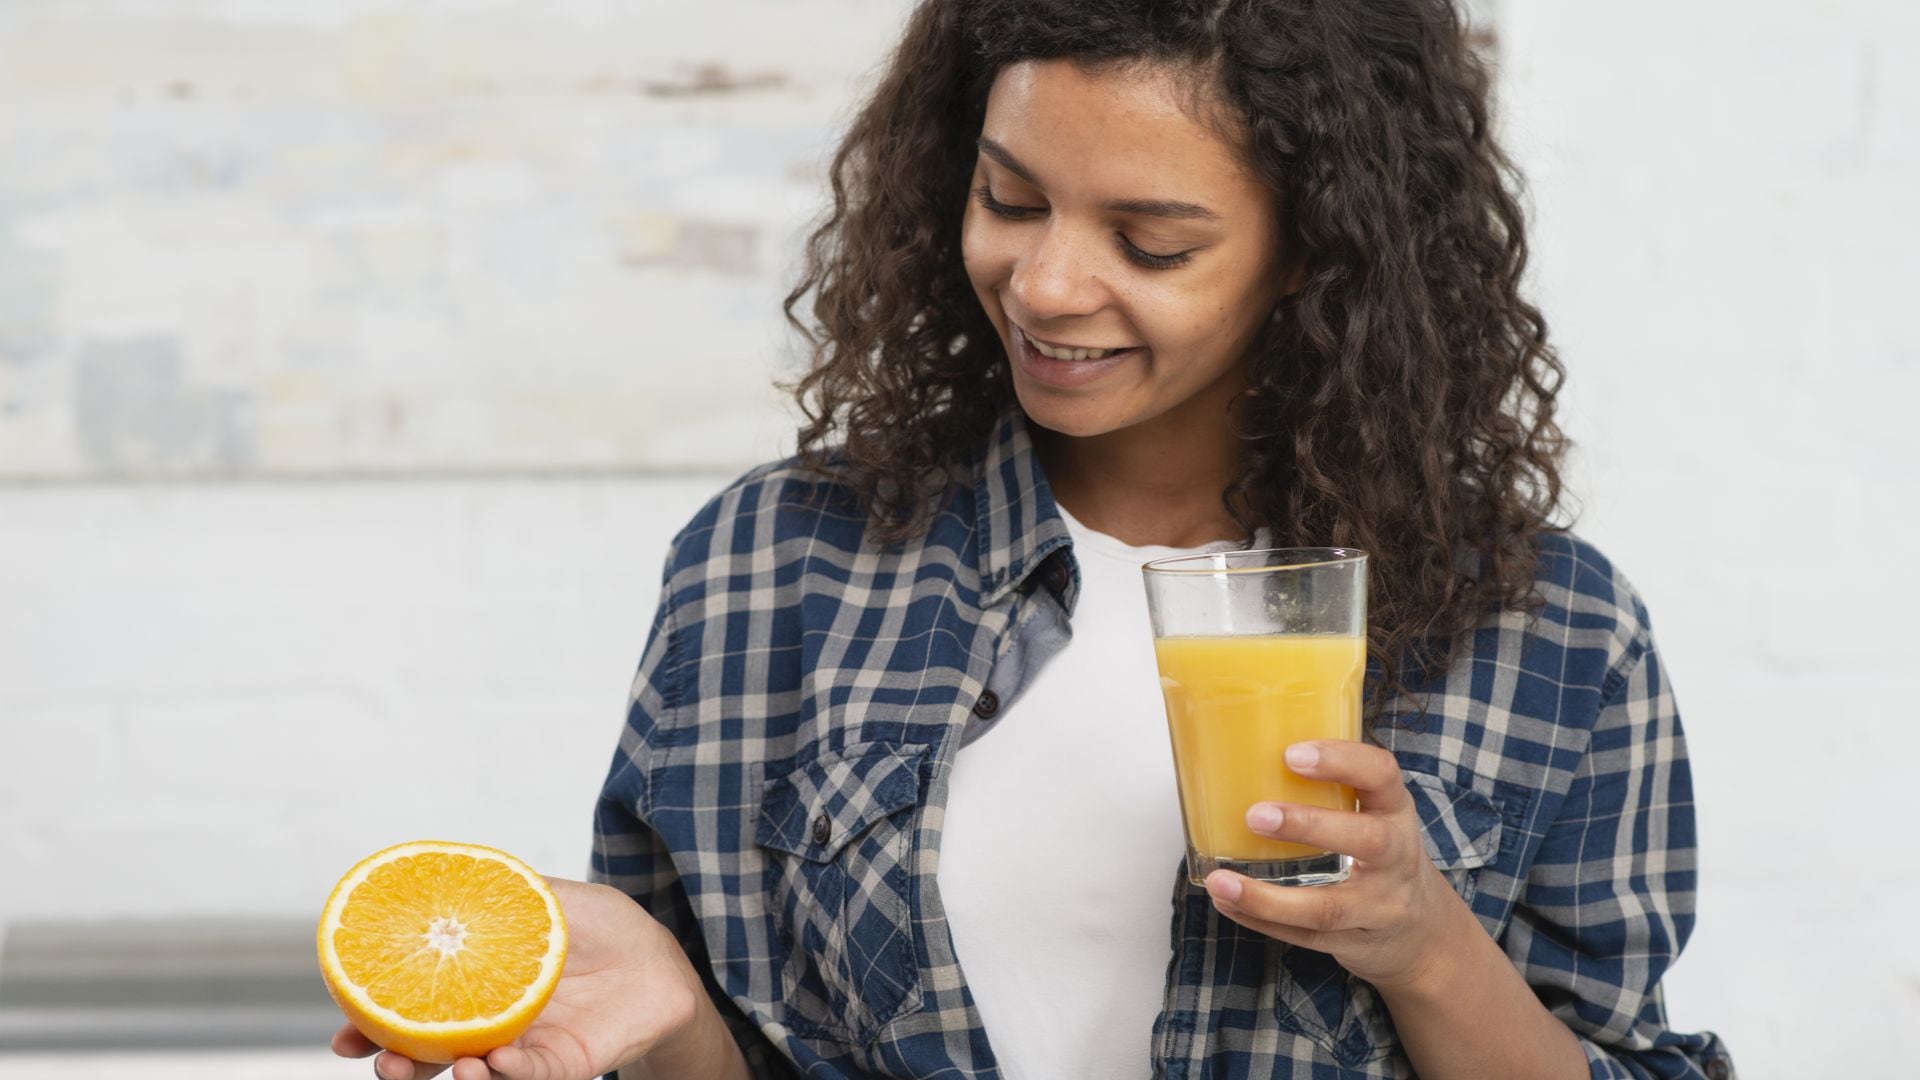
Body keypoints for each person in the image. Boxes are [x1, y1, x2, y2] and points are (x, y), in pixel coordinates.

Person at [331, 0, 1736, 1077]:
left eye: (1153, 242)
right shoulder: (773, 564)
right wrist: (676, 1017)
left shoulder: (1548, 630)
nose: (1047, 283)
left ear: (1318, 252)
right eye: (1010, 199)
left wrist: (1424, 943)